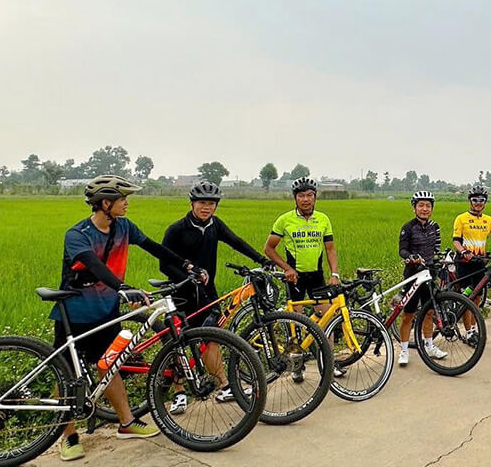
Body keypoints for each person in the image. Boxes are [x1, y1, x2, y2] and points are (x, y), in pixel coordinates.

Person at [53, 175, 206, 461]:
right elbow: (94, 265)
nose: (127, 203)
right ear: (105, 203)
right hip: (75, 312)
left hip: (106, 310)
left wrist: (187, 265)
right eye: (122, 198)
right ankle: (68, 436)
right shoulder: (78, 234)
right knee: (66, 374)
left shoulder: (124, 227)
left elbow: (153, 247)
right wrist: (122, 287)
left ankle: (126, 422)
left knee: (110, 365)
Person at [161, 179, 272, 412]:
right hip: (182, 293)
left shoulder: (214, 225)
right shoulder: (176, 230)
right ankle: (179, 393)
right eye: (202, 203)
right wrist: (188, 276)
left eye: (211, 203)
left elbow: (236, 242)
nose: (206, 207)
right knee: (178, 342)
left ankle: (224, 385)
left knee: (213, 336)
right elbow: (164, 264)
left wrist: (261, 259)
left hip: (207, 293)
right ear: (192, 203)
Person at [265, 177, 341, 302]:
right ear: (295, 198)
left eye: (309, 195)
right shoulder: (284, 220)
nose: (305, 199)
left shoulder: (323, 219)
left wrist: (334, 274)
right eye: (301, 196)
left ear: (315, 197)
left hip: (317, 276)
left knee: (325, 313)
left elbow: (330, 249)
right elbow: (269, 249)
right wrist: (287, 268)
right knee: (295, 314)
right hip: (294, 277)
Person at [453, 184, 491, 337]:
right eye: (475, 200)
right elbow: (456, 241)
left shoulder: (488, 220)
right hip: (465, 263)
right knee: (467, 299)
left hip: (479, 263)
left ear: (485, 202)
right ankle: (468, 332)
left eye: (482, 200)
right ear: (470, 201)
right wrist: (463, 251)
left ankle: (473, 328)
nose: (478, 203)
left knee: (477, 299)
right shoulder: (461, 219)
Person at [397, 191, 448, 365]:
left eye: (428, 206)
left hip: (429, 274)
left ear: (432, 209)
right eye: (421, 205)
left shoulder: (435, 227)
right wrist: (411, 257)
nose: (424, 209)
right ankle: (404, 351)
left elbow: (436, 249)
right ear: (414, 208)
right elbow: (402, 250)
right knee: (408, 315)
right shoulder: (408, 227)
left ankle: (429, 346)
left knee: (429, 312)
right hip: (413, 274)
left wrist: (441, 260)